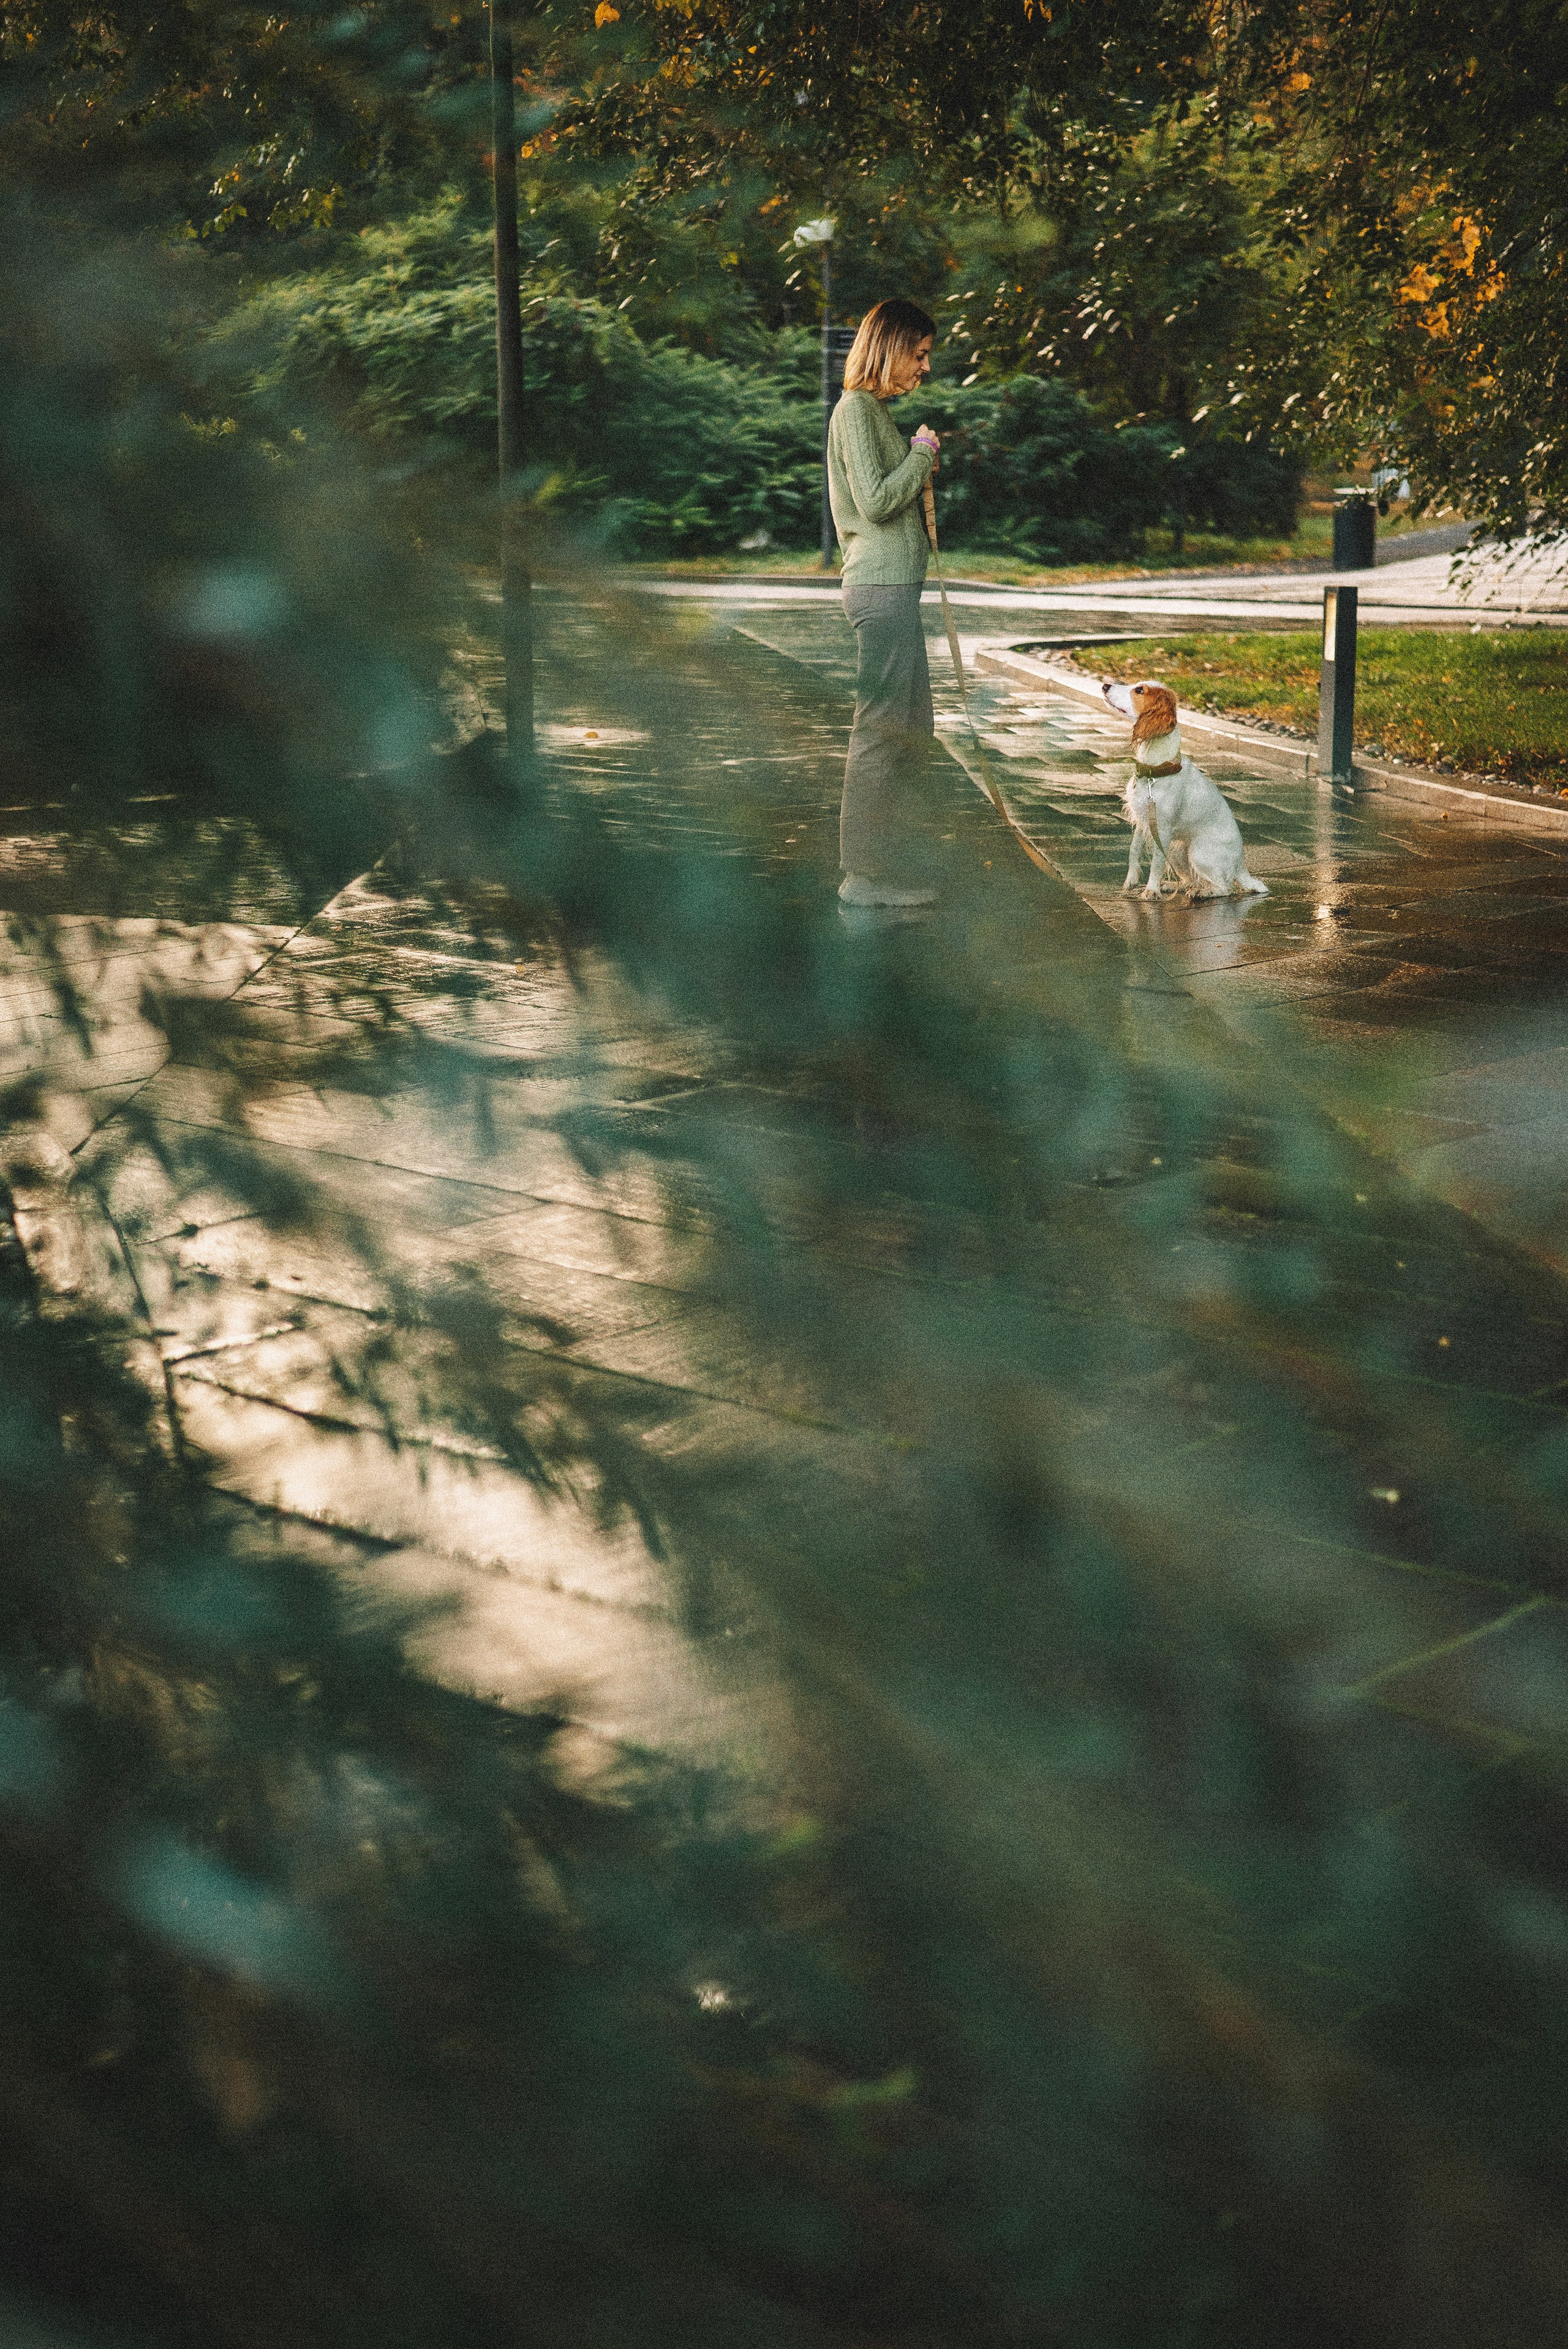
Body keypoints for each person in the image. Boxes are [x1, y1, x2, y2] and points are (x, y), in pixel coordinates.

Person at [827, 298, 944, 908]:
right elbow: (874, 502)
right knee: (880, 730)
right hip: (881, 592)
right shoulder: (855, 410)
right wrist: (921, 452)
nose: (924, 368)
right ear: (890, 346)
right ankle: (864, 878)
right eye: (919, 354)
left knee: (911, 729)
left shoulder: (872, 412)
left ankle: (886, 863)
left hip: (895, 592)